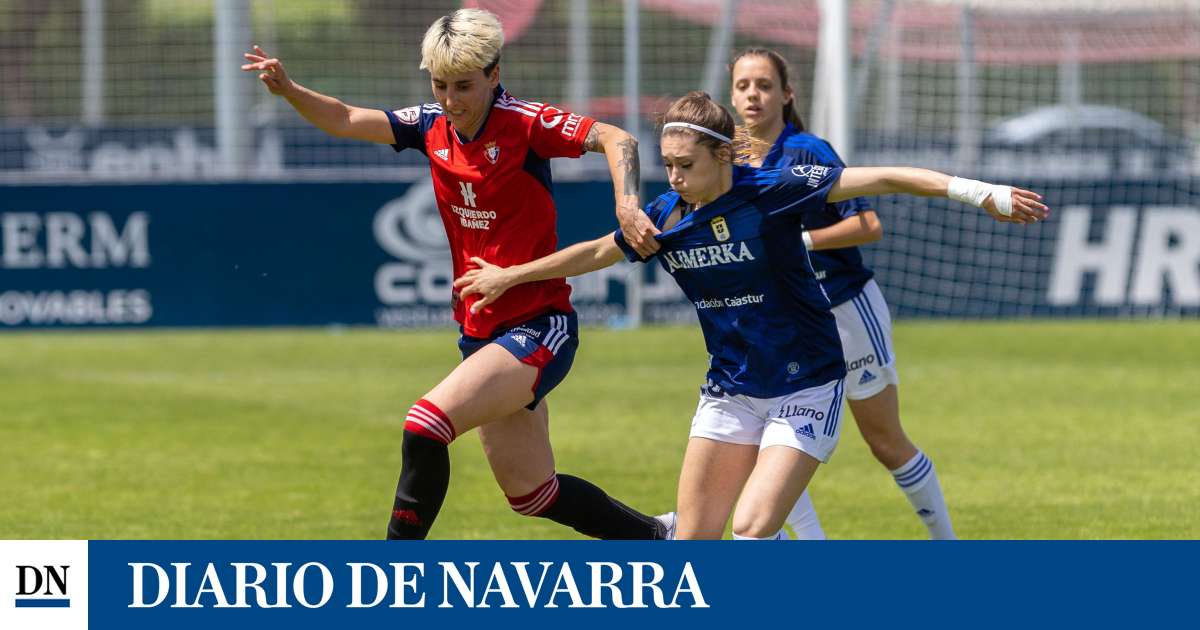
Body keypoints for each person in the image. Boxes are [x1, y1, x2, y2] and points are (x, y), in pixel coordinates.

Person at [454, 92, 1047, 539]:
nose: (675, 178)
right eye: (667, 164)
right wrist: (511, 275)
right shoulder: (667, 212)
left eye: (686, 165)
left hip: (807, 385)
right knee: (691, 542)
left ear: (722, 154)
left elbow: (888, 177)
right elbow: (596, 252)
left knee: (754, 527)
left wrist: (980, 193)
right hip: (731, 390)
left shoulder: (775, 189)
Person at [241, 8, 670, 540]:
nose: (451, 100)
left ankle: (393, 583)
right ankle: (662, 536)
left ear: (494, 74)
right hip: (480, 331)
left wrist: (628, 205)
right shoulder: (431, 124)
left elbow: (617, 138)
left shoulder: (525, 123)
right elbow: (348, 119)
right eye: (441, 85)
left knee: (425, 424)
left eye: (464, 86)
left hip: (538, 326)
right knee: (533, 494)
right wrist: (291, 91)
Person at [729, 46, 1037, 539]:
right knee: (759, 441)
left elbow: (867, 224)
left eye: (764, 85)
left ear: (786, 95)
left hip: (845, 309)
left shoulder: (809, 151)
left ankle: (948, 547)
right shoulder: (728, 162)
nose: (752, 95)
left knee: (885, 442)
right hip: (784, 323)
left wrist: (798, 240)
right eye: (743, 85)